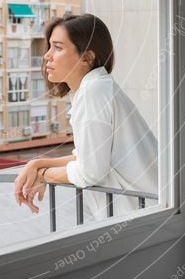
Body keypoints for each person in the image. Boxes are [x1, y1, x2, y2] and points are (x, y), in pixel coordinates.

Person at [14, 13, 158, 222]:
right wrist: (37, 165)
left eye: (58, 47)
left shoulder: (94, 92)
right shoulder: (95, 88)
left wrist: (43, 175)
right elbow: (88, 157)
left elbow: (91, 172)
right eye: (50, 47)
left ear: (87, 57)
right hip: (146, 215)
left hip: (143, 220)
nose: (47, 55)